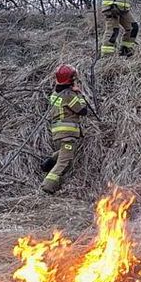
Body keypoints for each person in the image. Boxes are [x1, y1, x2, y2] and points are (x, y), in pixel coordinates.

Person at [41, 64, 89, 194]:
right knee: (65, 160)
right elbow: (83, 111)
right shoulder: (69, 95)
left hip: (58, 132)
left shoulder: (55, 94)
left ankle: (48, 163)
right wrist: (79, 94)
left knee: (64, 153)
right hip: (67, 132)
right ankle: (47, 186)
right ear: (72, 79)